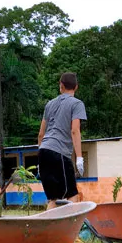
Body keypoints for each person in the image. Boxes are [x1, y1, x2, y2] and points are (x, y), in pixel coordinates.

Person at [38, 72, 86, 208]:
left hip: (43, 151)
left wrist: (40, 161)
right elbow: (75, 130)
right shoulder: (77, 104)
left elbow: (41, 134)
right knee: (72, 195)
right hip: (59, 153)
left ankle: (46, 228)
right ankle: (70, 228)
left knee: (53, 198)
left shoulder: (49, 104)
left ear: (61, 86)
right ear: (76, 87)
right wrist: (79, 158)